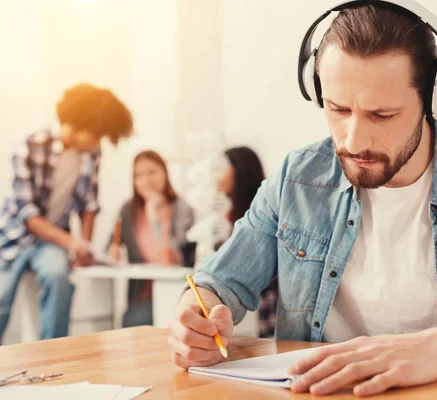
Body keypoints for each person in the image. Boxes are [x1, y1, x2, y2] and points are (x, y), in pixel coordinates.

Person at [168, 1, 437, 397]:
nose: (354, 139)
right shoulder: (296, 179)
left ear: (436, 100)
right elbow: (215, 284)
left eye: (382, 115)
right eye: (338, 110)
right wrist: (196, 315)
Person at [0, 83, 133, 342]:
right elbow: (28, 215)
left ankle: (54, 354)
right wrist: (71, 242)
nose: (97, 141)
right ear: (77, 121)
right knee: (2, 299)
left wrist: (83, 246)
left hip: (51, 244)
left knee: (59, 277)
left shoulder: (91, 154)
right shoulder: (30, 145)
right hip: (11, 239)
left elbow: (89, 205)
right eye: (96, 133)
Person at [108, 150, 195, 327]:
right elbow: (110, 245)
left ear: (165, 173)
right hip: (142, 295)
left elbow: (173, 259)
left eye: (152, 172)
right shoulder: (128, 210)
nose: (146, 180)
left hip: (176, 293)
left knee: (136, 320)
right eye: (138, 175)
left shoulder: (181, 208)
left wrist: (154, 217)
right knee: (131, 320)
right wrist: (112, 251)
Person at [216, 147, 276, 338]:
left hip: (267, 311)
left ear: (239, 171)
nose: (217, 177)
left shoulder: (261, 216)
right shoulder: (227, 213)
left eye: (221, 169)